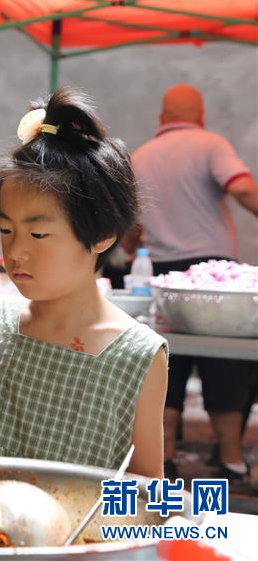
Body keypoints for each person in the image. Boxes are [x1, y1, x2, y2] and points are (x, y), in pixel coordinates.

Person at [0, 88, 168, 478]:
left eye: (39, 235)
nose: (17, 252)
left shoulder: (138, 355)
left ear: (102, 235)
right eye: (7, 230)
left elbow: (145, 492)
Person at [126, 84, 258, 481]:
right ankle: (231, 460)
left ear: (162, 118)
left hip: (163, 277)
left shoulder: (140, 157)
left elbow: (132, 225)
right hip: (213, 275)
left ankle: (166, 458)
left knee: (168, 364)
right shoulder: (210, 143)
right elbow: (241, 187)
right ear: (200, 114)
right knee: (223, 367)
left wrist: (134, 250)